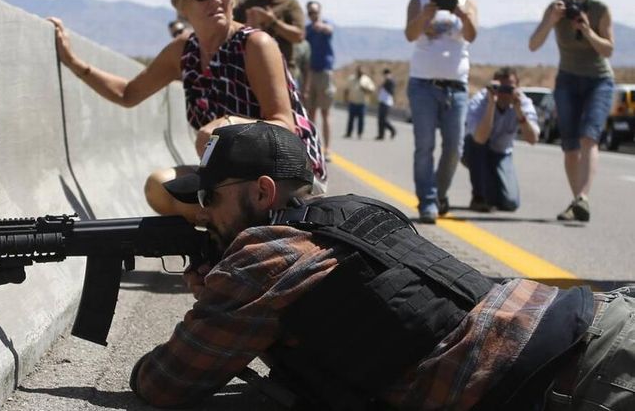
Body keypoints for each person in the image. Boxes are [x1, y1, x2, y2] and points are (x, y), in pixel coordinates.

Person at [130, 121, 635, 410]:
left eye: (208, 197)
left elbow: (164, 382)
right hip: (600, 320)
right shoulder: (360, 211)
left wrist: (222, 302)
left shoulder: (265, 254)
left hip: (584, 381)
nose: (203, 213)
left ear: (262, 192)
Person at [48, 0, 326, 223]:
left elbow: (283, 124)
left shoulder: (255, 45)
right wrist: (72, 62)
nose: (217, 0)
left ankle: (229, 237)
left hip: (284, 174)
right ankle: (226, 233)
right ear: (181, 5)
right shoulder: (183, 52)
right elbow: (127, 94)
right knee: (159, 187)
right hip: (232, 179)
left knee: (220, 168)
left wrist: (228, 126)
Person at [529, 0, 615, 222]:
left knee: (589, 137)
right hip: (567, 79)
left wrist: (588, 31)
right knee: (570, 145)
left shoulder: (600, 10)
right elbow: (534, 44)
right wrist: (552, 20)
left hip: (598, 80)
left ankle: (583, 199)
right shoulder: (556, 9)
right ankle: (578, 200)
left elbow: (608, 50)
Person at [404, 0, 478, 224]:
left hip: (456, 86)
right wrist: (424, 16)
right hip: (423, 84)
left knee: (454, 148)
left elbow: (471, 35)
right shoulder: (419, 2)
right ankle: (428, 201)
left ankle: (438, 194)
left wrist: (464, 17)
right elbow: (410, 35)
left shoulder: (467, 2)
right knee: (424, 146)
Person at [463, 67, 539, 212]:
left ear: (517, 87)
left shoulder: (523, 102)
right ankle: (478, 197)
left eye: (509, 88)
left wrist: (519, 111)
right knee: (476, 144)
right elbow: (479, 138)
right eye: (500, 87)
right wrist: (491, 104)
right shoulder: (480, 100)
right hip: (475, 150)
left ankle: (491, 193)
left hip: (502, 154)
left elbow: (533, 139)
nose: (504, 93)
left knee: (510, 203)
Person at [233, 0, 305, 76]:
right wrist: (248, 28)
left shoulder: (290, 3)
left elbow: (298, 36)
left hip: (283, 72)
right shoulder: (245, 4)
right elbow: (229, 35)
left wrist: (273, 22)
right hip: (251, 71)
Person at [303, 1, 335, 158]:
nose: (313, 15)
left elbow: (330, 30)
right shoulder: (307, 30)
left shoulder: (326, 26)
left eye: (315, 12)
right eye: (310, 13)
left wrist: (321, 26)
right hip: (310, 73)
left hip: (324, 73)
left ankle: (328, 148)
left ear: (320, 12)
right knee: (310, 113)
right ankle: (312, 146)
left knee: (325, 112)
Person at [342, 65, 374, 140]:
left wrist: (365, 89)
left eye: (361, 71)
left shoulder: (366, 80)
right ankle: (348, 133)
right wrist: (345, 99)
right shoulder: (351, 79)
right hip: (353, 102)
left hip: (362, 103)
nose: (360, 72)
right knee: (351, 119)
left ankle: (360, 133)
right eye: (359, 71)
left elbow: (372, 90)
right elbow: (346, 90)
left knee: (361, 120)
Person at [376, 68, 397, 140]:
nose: (385, 76)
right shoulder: (385, 82)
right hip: (382, 102)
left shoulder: (390, 81)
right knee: (380, 119)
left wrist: (387, 81)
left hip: (387, 102)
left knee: (384, 119)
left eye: (386, 74)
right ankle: (381, 135)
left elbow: (391, 91)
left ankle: (392, 130)